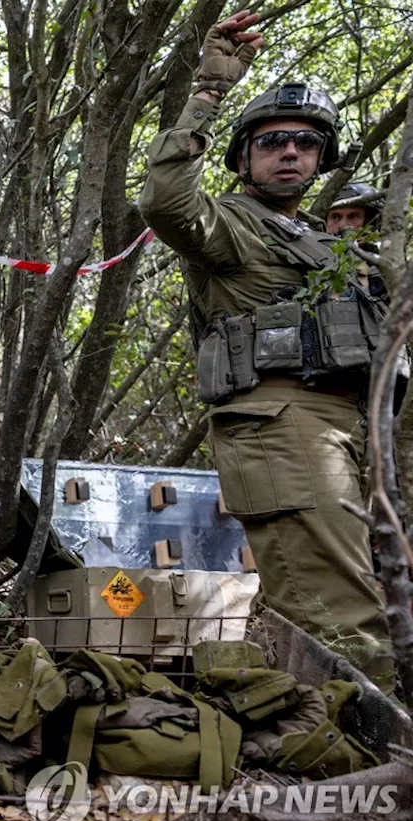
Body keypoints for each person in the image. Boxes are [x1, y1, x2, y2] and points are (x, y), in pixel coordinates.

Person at [139, 10, 395, 692]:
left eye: (307, 143)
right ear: (245, 155)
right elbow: (164, 200)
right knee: (339, 612)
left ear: (323, 160)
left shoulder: (335, 246)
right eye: (273, 141)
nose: (290, 151)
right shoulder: (229, 226)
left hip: (367, 428)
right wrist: (211, 91)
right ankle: (356, 760)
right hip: (284, 428)